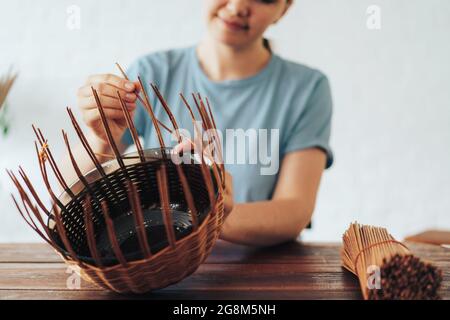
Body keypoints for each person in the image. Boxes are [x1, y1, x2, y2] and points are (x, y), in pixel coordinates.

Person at [61, 0, 333, 246]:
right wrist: (101, 139)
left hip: (259, 272)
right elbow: (68, 191)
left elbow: (294, 210)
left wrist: (212, 216)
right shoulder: (151, 73)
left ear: (283, 9)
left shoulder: (307, 88)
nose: (238, 6)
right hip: (161, 267)